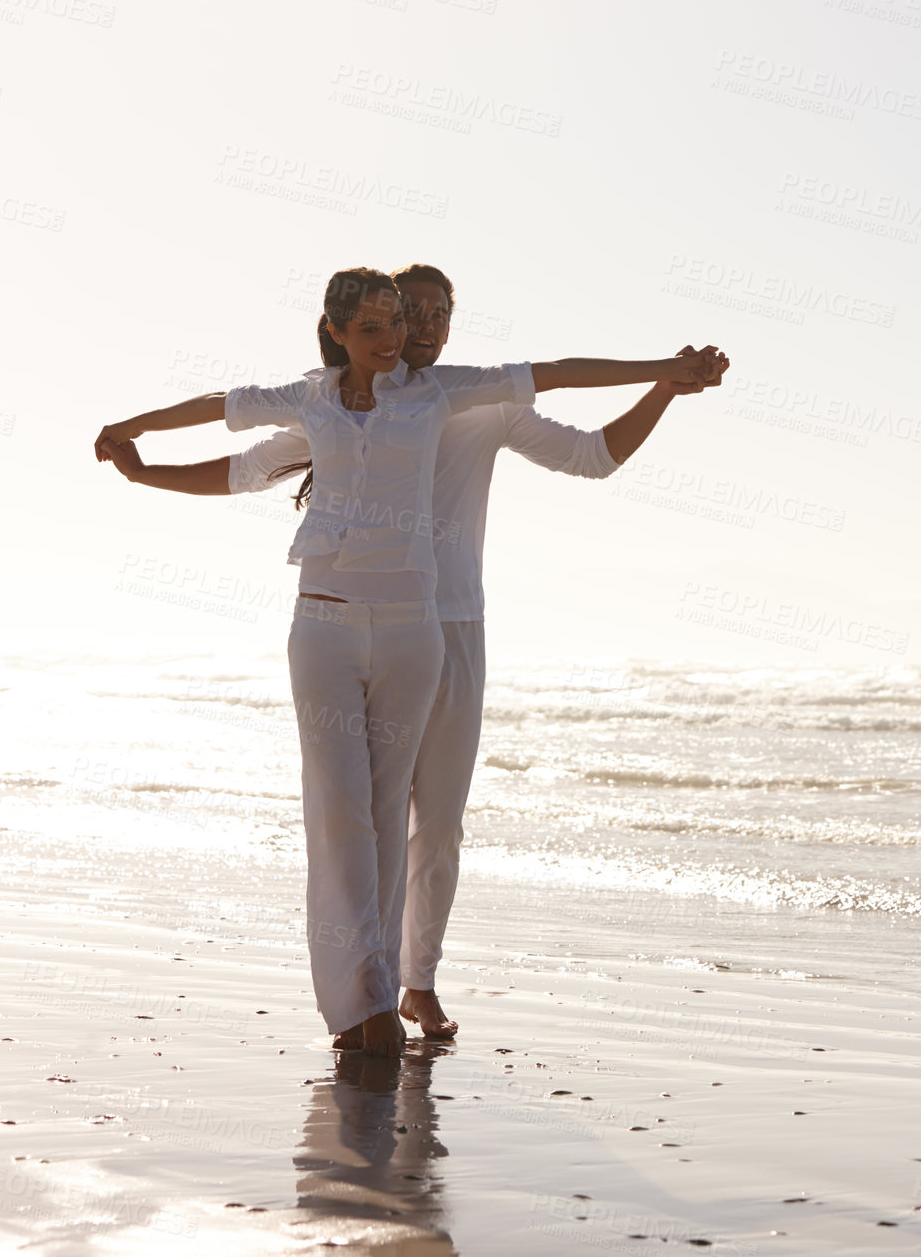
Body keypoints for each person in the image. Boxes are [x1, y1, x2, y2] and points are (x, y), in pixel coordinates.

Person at [95, 266, 724, 1056]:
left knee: (436, 822)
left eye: (434, 314)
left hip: (445, 625)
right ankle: (367, 989)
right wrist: (142, 466)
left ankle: (411, 978)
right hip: (347, 615)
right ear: (364, 323)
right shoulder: (328, 401)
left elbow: (593, 453)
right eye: (403, 312)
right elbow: (242, 469)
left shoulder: (477, 401)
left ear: (450, 325)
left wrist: (665, 384)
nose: (417, 327)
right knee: (357, 811)